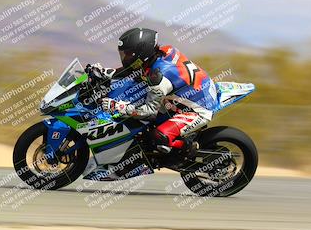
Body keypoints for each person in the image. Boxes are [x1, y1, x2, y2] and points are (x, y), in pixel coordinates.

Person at [90, 27, 218, 154]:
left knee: (158, 137)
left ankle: (189, 147)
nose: (125, 58)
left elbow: (149, 112)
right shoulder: (162, 51)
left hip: (199, 109)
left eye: (129, 54)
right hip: (191, 92)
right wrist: (105, 72)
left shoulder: (159, 77)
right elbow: (134, 70)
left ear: (142, 53)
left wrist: (116, 106)